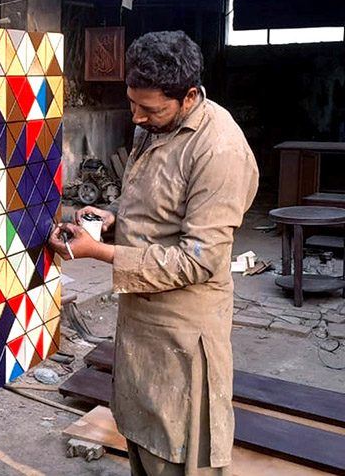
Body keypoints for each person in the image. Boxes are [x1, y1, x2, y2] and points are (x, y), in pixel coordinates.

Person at [49, 31, 258, 476]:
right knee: (142, 442)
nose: (137, 117)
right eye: (133, 104)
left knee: (181, 451)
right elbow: (155, 206)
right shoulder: (154, 123)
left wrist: (101, 252)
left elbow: (199, 259)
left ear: (189, 97)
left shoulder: (218, 151)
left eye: (151, 109)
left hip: (183, 333)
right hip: (141, 321)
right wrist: (111, 218)